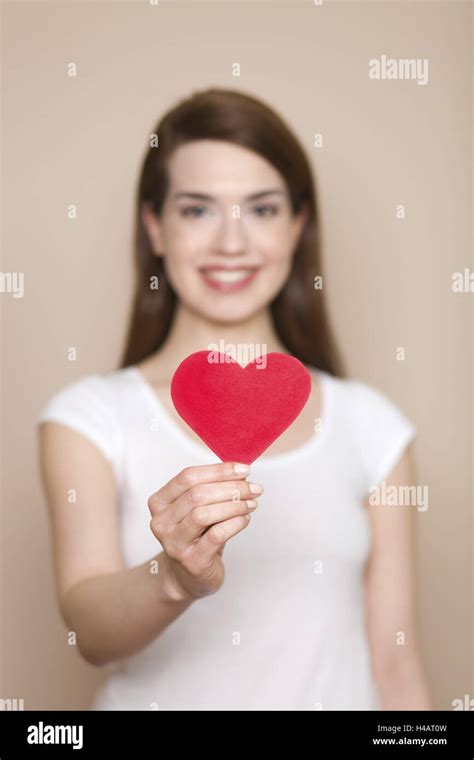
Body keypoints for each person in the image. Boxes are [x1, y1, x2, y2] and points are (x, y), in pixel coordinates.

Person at [37, 88, 432, 711]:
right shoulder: (89, 417)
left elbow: (395, 659)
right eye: (198, 211)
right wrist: (174, 576)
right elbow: (88, 631)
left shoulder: (373, 425)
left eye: (262, 209)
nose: (231, 243)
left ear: (299, 226)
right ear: (154, 228)